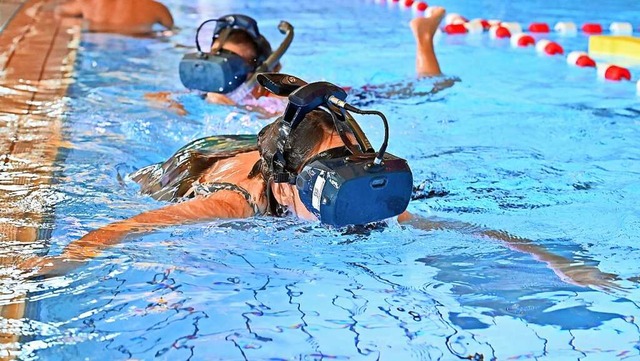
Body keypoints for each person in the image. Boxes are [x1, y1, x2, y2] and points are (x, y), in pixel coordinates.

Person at [21, 74, 623, 293]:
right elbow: (127, 227)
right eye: (334, 176)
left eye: (357, 168)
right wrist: (71, 258)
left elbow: (466, 228)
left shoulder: (355, 196)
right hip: (199, 164)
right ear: (288, 189)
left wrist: (559, 263)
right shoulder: (237, 203)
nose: (355, 191)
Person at [147, 7, 452, 117]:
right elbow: (156, 99)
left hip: (332, 97)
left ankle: (423, 38)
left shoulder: (273, 103)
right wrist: (177, 105)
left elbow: (277, 120)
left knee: (430, 88)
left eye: (229, 63)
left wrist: (244, 111)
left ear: (262, 71)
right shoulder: (212, 94)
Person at [55, 0, 175, 35]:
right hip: (141, 44)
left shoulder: (89, 4)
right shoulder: (157, 8)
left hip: (98, 43)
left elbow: (59, 11)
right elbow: (172, 31)